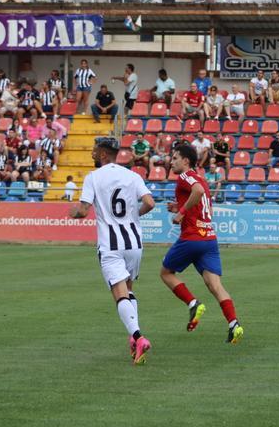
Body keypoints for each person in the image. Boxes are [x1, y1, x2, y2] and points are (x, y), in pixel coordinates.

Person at [70, 137, 156, 364]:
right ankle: (133, 338)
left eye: (95, 151)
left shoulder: (93, 178)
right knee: (128, 290)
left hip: (111, 245)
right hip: (134, 243)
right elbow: (150, 202)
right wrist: (134, 215)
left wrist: (73, 212)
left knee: (119, 294)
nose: (92, 154)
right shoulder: (133, 175)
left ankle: (138, 337)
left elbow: (83, 210)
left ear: (104, 155)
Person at [160, 144, 244, 344]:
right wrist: (180, 206)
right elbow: (206, 208)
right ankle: (234, 324)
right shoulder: (203, 180)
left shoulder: (185, 177)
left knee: (165, 273)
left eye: (175, 158)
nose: (171, 162)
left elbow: (195, 192)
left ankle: (192, 303)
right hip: (209, 238)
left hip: (192, 237)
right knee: (215, 285)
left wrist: (181, 213)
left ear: (186, 161)